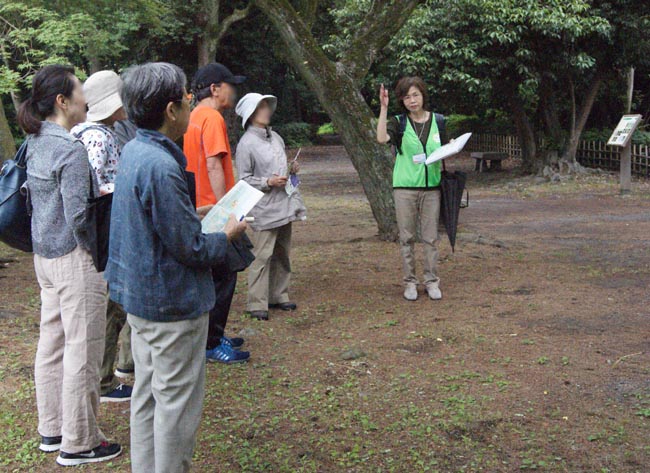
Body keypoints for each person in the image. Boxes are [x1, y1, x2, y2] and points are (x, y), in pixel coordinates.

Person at [105, 62, 247, 473]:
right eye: (187, 97)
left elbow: (156, 223)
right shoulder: (162, 164)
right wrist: (228, 233)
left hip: (142, 301)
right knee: (176, 409)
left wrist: (196, 210)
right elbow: (192, 249)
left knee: (148, 396)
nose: (191, 103)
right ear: (171, 110)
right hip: (173, 307)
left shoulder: (134, 150)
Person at [18, 64, 122, 466]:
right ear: (63, 101)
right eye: (80, 91)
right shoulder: (70, 150)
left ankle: (53, 428)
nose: (85, 99)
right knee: (83, 349)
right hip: (74, 259)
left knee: (53, 344)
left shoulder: (36, 141)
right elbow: (80, 216)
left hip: (44, 258)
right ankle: (80, 442)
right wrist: (93, 256)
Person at [70, 70, 134, 403]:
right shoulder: (98, 136)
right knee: (113, 307)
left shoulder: (90, 131)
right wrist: (124, 189)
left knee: (116, 307)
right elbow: (90, 186)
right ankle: (105, 378)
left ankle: (112, 371)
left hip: (106, 232)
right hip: (106, 234)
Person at [183, 62, 251, 363]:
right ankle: (211, 343)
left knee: (211, 276)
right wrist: (228, 209)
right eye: (229, 85)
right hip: (213, 209)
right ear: (214, 89)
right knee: (225, 276)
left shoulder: (192, 116)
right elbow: (213, 163)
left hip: (196, 207)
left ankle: (212, 333)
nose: (233, 91)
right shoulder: (212, 117)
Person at [235, 93, 307, 321]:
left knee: (282, 252)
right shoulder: (246, 143)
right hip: (264, 206)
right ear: (251, 114)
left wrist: (290, 168)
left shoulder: (275, 137)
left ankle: (279, 294)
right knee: (262, 255)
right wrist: (267, 182)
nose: (266, 111)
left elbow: (279, 165)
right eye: (261, 107)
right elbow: (244, 179)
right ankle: (256, 301)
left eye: (267, 107)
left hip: (284, 203)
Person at [376, 77, 447, 301]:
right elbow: (380, 138)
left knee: (430, 238)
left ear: (423, 95)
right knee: (406, 237)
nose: (412, 100)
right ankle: (410, 283)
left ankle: (432, 281)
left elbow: (443, 149)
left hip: (432, 188)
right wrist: (383, 108)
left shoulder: (439, 120)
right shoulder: (399, 122)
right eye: (407, 97)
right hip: (404, 189)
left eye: (415, 95)